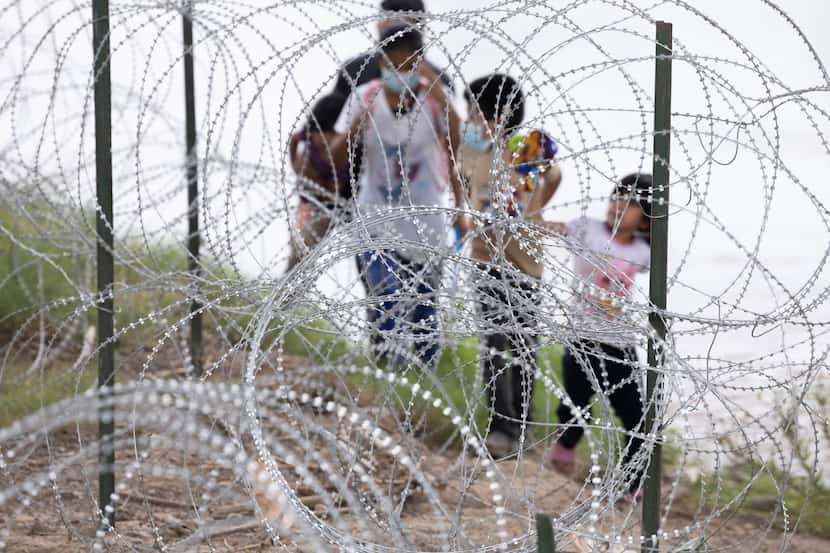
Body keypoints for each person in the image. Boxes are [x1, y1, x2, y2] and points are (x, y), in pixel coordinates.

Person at [330, 25, 466, 370]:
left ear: (419, 63)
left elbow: (459, 149)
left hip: (425, 220)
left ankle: (423, 378)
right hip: (375, 216)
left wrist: (461, 208)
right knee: (384, 293)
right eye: (392, 64)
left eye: (407, 65)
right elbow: (336, 156)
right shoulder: (365, 96)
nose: (398, 72)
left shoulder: (435, 104)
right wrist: (357, 127)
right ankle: (387, 372)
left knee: (423, 304)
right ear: (381, 62)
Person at [460, 74, 562, 457]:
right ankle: (500, 429)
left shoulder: (528, 147)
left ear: (497, 115)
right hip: (485, 259)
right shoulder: (473, 149)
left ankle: (523, 426)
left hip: (525, 263)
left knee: (523, 345)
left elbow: (554, 177)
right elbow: (462, 182)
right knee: (493, 345)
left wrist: (534, 208)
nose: (470, 119)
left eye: (475, 111)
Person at [545, 173, 653, 502]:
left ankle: (633, 485)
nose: (617, 205)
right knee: (577, 407)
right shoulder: (585, 229)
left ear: (646, 216)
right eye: (615, 197)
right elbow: (544, 227)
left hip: (620, 342)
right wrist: (538, 190)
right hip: (581, 338)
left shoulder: (644, 251)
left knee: (636, 415)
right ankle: (564, 446)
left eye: (630, 202)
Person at [285, 92, 350, 271]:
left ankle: (288, 290)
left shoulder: (343, 155)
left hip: (331, 205)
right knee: (301, 248)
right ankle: (286, 292)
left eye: (331, 133)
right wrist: (297, 170)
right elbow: (294, 145)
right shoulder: (308, 149)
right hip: (310, 204)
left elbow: (335, 187)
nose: (324, 139)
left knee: (305, 251)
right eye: (319, 132)